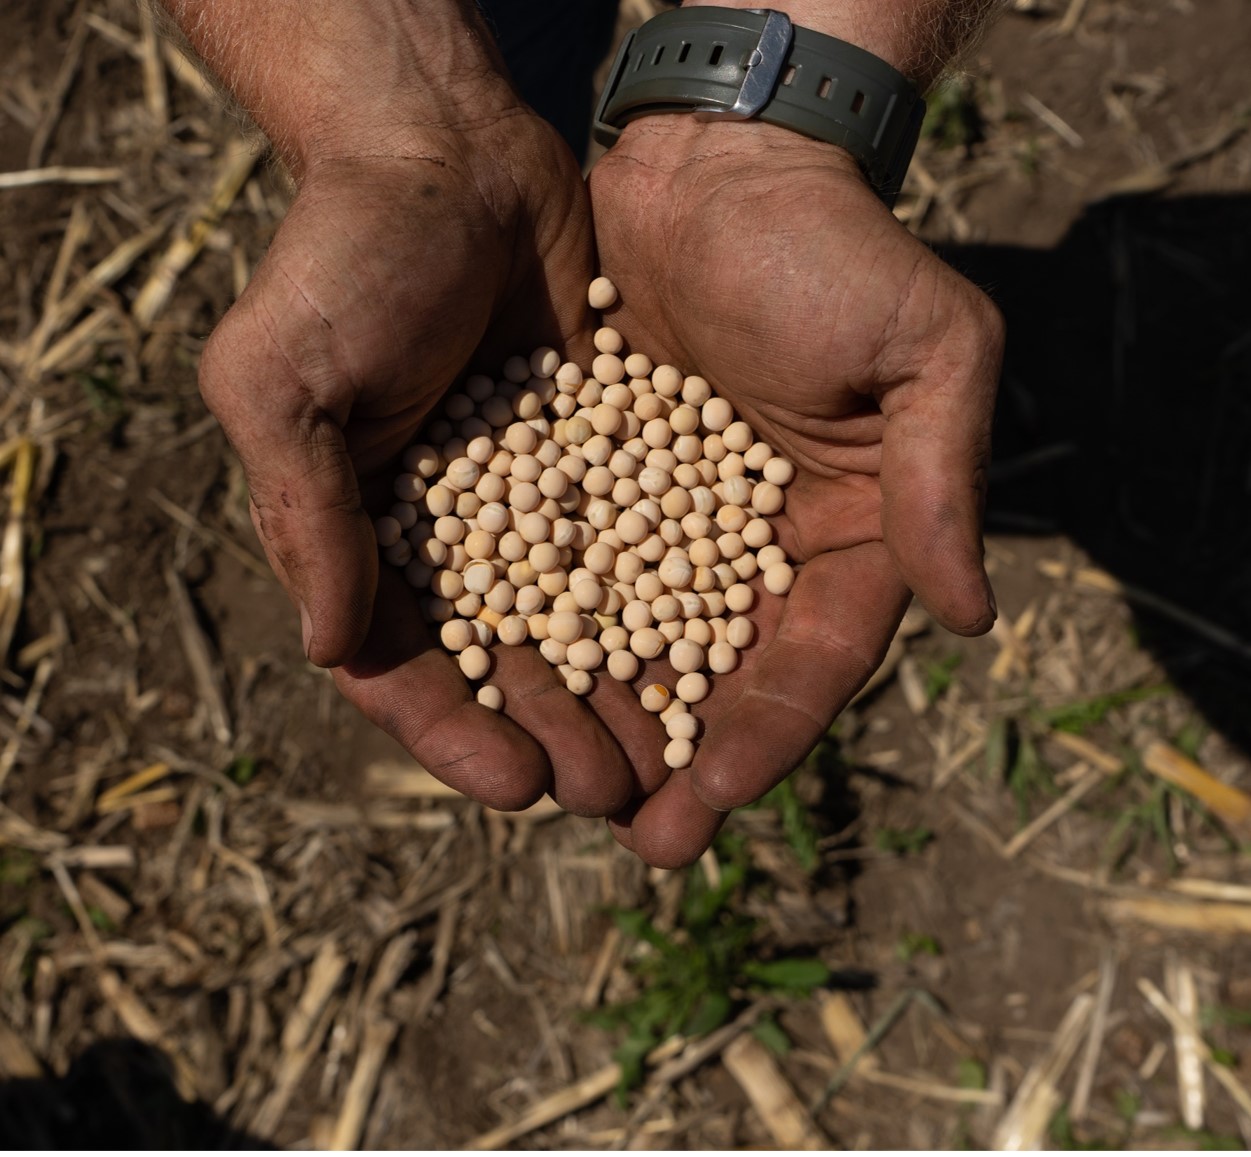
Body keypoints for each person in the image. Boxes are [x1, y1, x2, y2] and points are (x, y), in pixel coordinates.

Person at [157, 0, 1005, 868]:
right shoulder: (582, 496)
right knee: (516, 60)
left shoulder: (607, 493)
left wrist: (769, 129)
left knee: (525, 67)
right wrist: (404, 116)